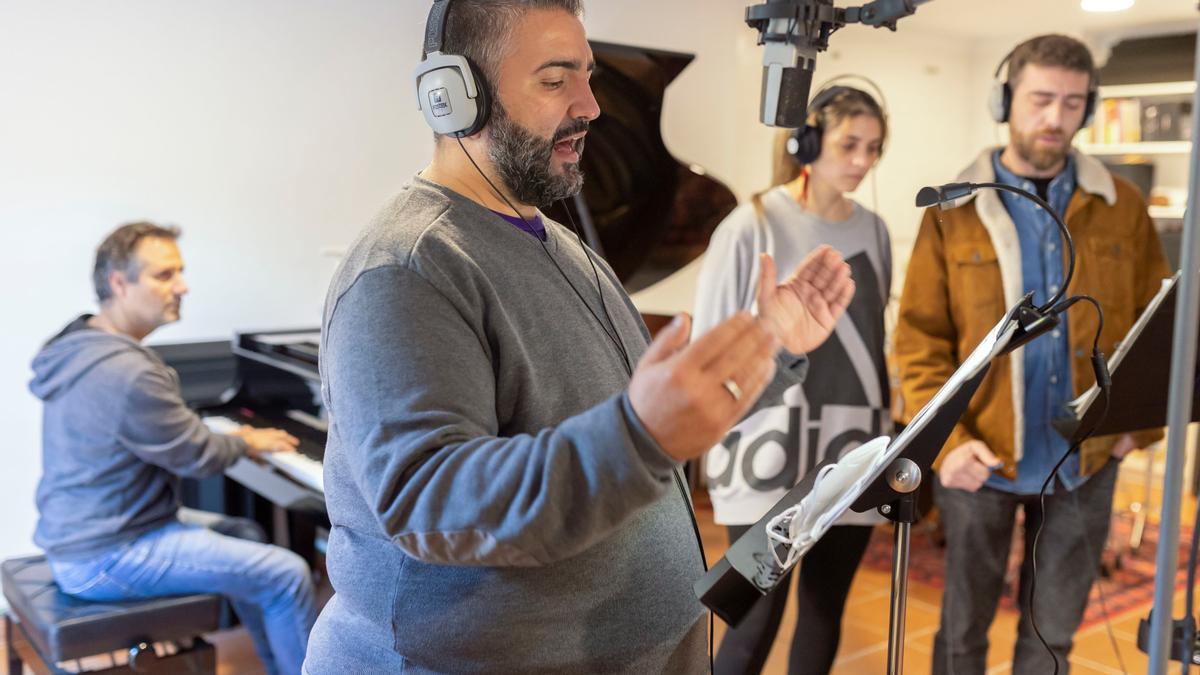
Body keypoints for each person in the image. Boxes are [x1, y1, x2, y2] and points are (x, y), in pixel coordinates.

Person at [303, 0, 857, 672]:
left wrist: (771, 349)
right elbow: (430, 504)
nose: (591, 105)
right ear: (454, 97)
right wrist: (639, 434)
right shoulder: (407, 266)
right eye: (555, 78)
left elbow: (641, 422)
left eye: (588, 75)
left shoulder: (565, 245)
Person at [893, 34, 1171, 674]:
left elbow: (1155, 326)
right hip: (978, 460)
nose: (1056, 118)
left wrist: (1134, 428)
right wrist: (948, 441)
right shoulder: (952, 207)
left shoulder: (1121, 206)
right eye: (1041, 98)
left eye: (1073, 103)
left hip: (1086, 462)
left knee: (1052, 641)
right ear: (1005, 100)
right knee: (961, 637)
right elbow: (918, 339)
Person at [30, 222, 318, 675]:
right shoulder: (128, 371)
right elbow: (195, 455)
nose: (182, 286)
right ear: (118, 283)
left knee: (247, 534)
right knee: (286, 574)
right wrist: (248, 441)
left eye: (179, 272)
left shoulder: (77, 344)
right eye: (164, 276)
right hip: (110, 551)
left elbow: (181, 440)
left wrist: (238, 440)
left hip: (80, 534)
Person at [695, 84, 891, 675]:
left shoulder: (877, 231)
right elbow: (711, 340)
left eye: (874, 148)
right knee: (754, 619)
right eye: (849, 144)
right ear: (807, 143)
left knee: (826, 609)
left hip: (851, 449)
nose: (862, 161)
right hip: (764, 452)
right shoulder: (750, 224)